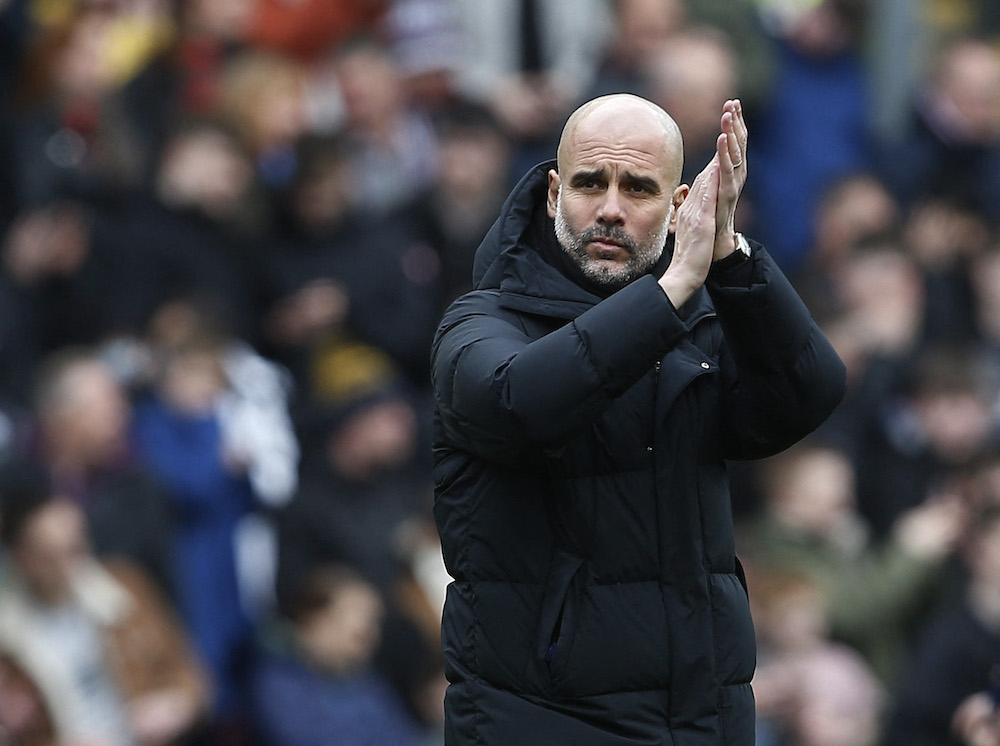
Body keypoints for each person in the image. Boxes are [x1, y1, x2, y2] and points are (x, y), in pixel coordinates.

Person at [430, 92, 846, 744]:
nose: (611, 209)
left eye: (639, 188)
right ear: (551, 192)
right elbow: (520, 405)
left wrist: (729, 251)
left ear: (680, 205)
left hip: (699, 716)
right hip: (541, 719)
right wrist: (673, 288)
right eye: (590, 183)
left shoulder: (699, 323)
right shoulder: (481, 323)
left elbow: (807, 393)